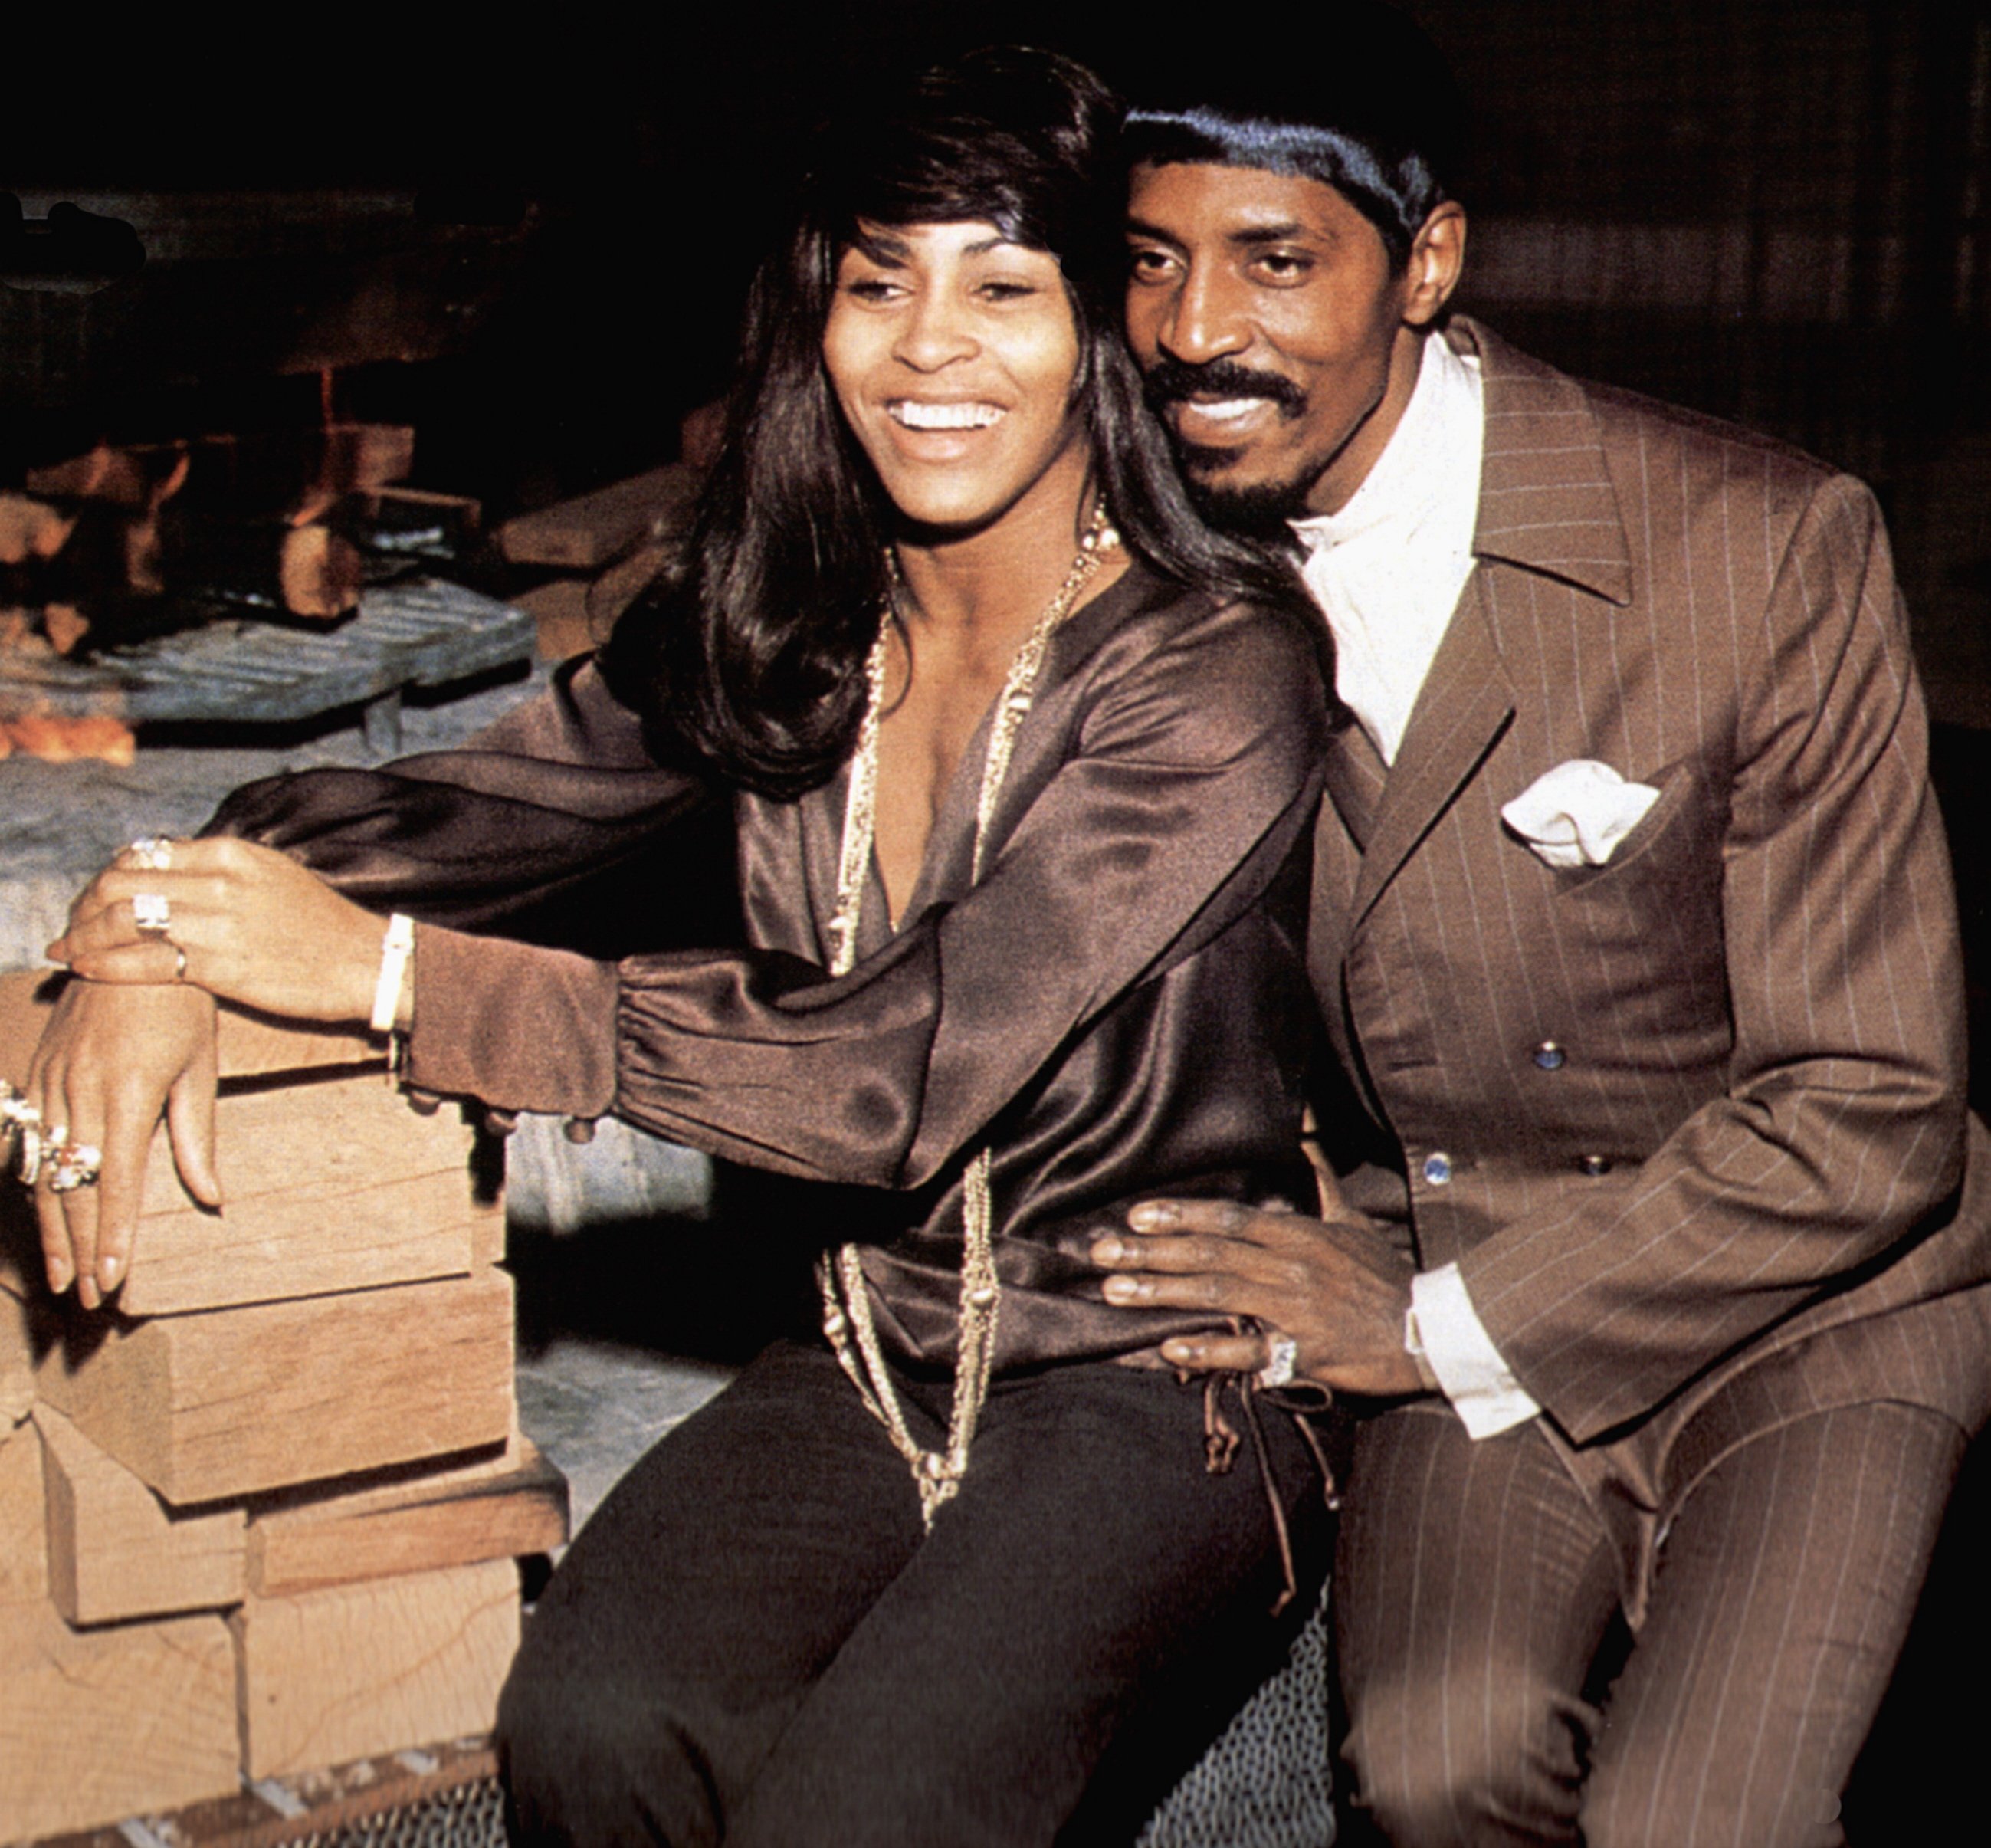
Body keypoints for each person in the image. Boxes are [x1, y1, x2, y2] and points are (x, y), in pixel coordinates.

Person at [17, 48, 1338, 1846]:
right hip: (872, 1342)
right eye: (882, 283)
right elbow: (468, 806)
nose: (932, 347)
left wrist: (405, 985)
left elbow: (896, 1074)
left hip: (1153, 1378)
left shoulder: (1219, 665)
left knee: (878, 1805)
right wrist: (158, 923)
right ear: (819, 316)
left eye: (1003, 289)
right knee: (595, 1725)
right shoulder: (790, 610)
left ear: (1101, 324)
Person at [1087, 14, 1991, 1846]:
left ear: (1427, 264)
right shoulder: (1154, 558)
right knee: (1437, 1766)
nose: (1194, 333)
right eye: (1153, 262)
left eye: (1276, 261)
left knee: (1696, 1816)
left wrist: (1427, 1327)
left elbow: (1876, 1108)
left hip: (1821, 1312)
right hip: (1453, 1245)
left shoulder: (1762, 547)